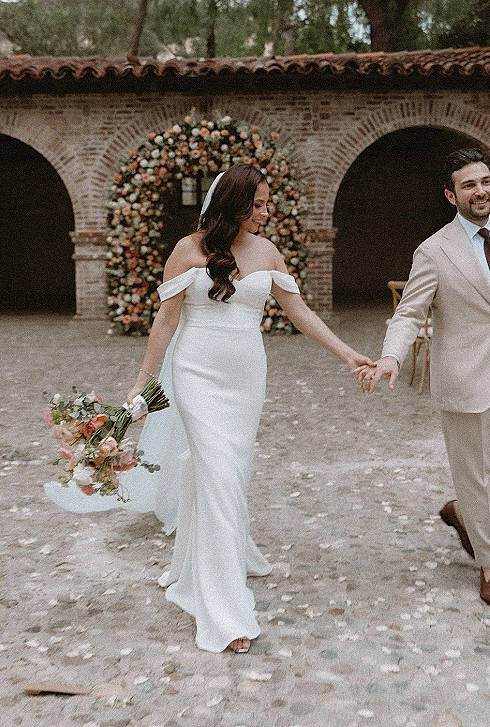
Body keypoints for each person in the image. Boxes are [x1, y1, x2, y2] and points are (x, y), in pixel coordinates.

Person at [126, 164, 372, 653]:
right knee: (217, 475)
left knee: (229, 476)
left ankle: (204, 559)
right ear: (232, 205)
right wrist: (140, 390)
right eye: (256, 204)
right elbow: (164, 325)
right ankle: (225, 610)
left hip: (245, 381)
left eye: (266, 203)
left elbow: (299, 312)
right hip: (195, 375)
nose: (264, 213)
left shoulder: (268, 252)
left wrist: (349, 355)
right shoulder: (187, 249)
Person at [357, 147, 490, 610]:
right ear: (451, 195)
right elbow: (409, 313)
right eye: (469, 185)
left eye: (486, 181)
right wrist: (392, 356)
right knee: (472, 472)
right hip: (463, 378)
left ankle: (463, 514)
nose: (481, 191)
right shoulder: (434, 251)